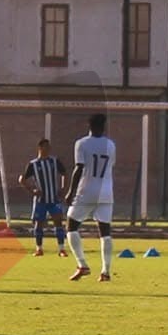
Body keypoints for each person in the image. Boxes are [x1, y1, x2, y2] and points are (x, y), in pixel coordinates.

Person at [64, 112, 117, 282]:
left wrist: (70, 192)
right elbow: (110, 166)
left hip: (87, 191)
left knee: (71, 225)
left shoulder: (81, 144)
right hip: (106, 192)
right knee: (105, 231)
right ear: (104, 126)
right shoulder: (110, 145)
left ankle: (82, 264)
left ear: (89, 126)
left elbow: (79, 168)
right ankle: (106, 272)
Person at [18, 137, 69, 258]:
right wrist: (32, 190)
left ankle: (61, 249)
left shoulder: (54, 161)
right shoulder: (33, 164)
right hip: (41, 200)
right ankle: (39, 249)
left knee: (58, 222)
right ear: (40, 148)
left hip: (54, 199)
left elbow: (65, 174)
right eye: (46, 147)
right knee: (39, 223)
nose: (48, 149)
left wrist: (63, 189)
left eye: (49, 147)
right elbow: (22, 179)